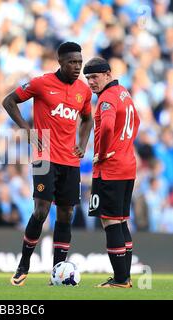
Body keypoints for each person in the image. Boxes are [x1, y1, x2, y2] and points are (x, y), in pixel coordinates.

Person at [2, 42, 93, 286]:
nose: (77, 67)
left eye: (79, 63)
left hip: (70, 160)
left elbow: (87, 118)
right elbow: (9, 101)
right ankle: (24, 265)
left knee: (67, 213)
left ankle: (57, 272)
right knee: (41, 210)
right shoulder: (41, 83)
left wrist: (82, 144)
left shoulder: (83, 90)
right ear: (61, 62)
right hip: (44, 157)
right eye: (72, 62)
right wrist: (25, 128)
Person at [83, 57, 140, 288]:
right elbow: (137, 120)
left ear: (107, 74)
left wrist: (104, 152)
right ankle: (124, 277)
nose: (91, 82)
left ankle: (120, 279)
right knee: (122, 220)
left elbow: (106, 126)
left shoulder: (106, 99)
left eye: (95, 77)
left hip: (111, 169)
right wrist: (124, 145)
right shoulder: (123, 92)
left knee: (110, 222)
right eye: (87, 78)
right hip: (128, 164)